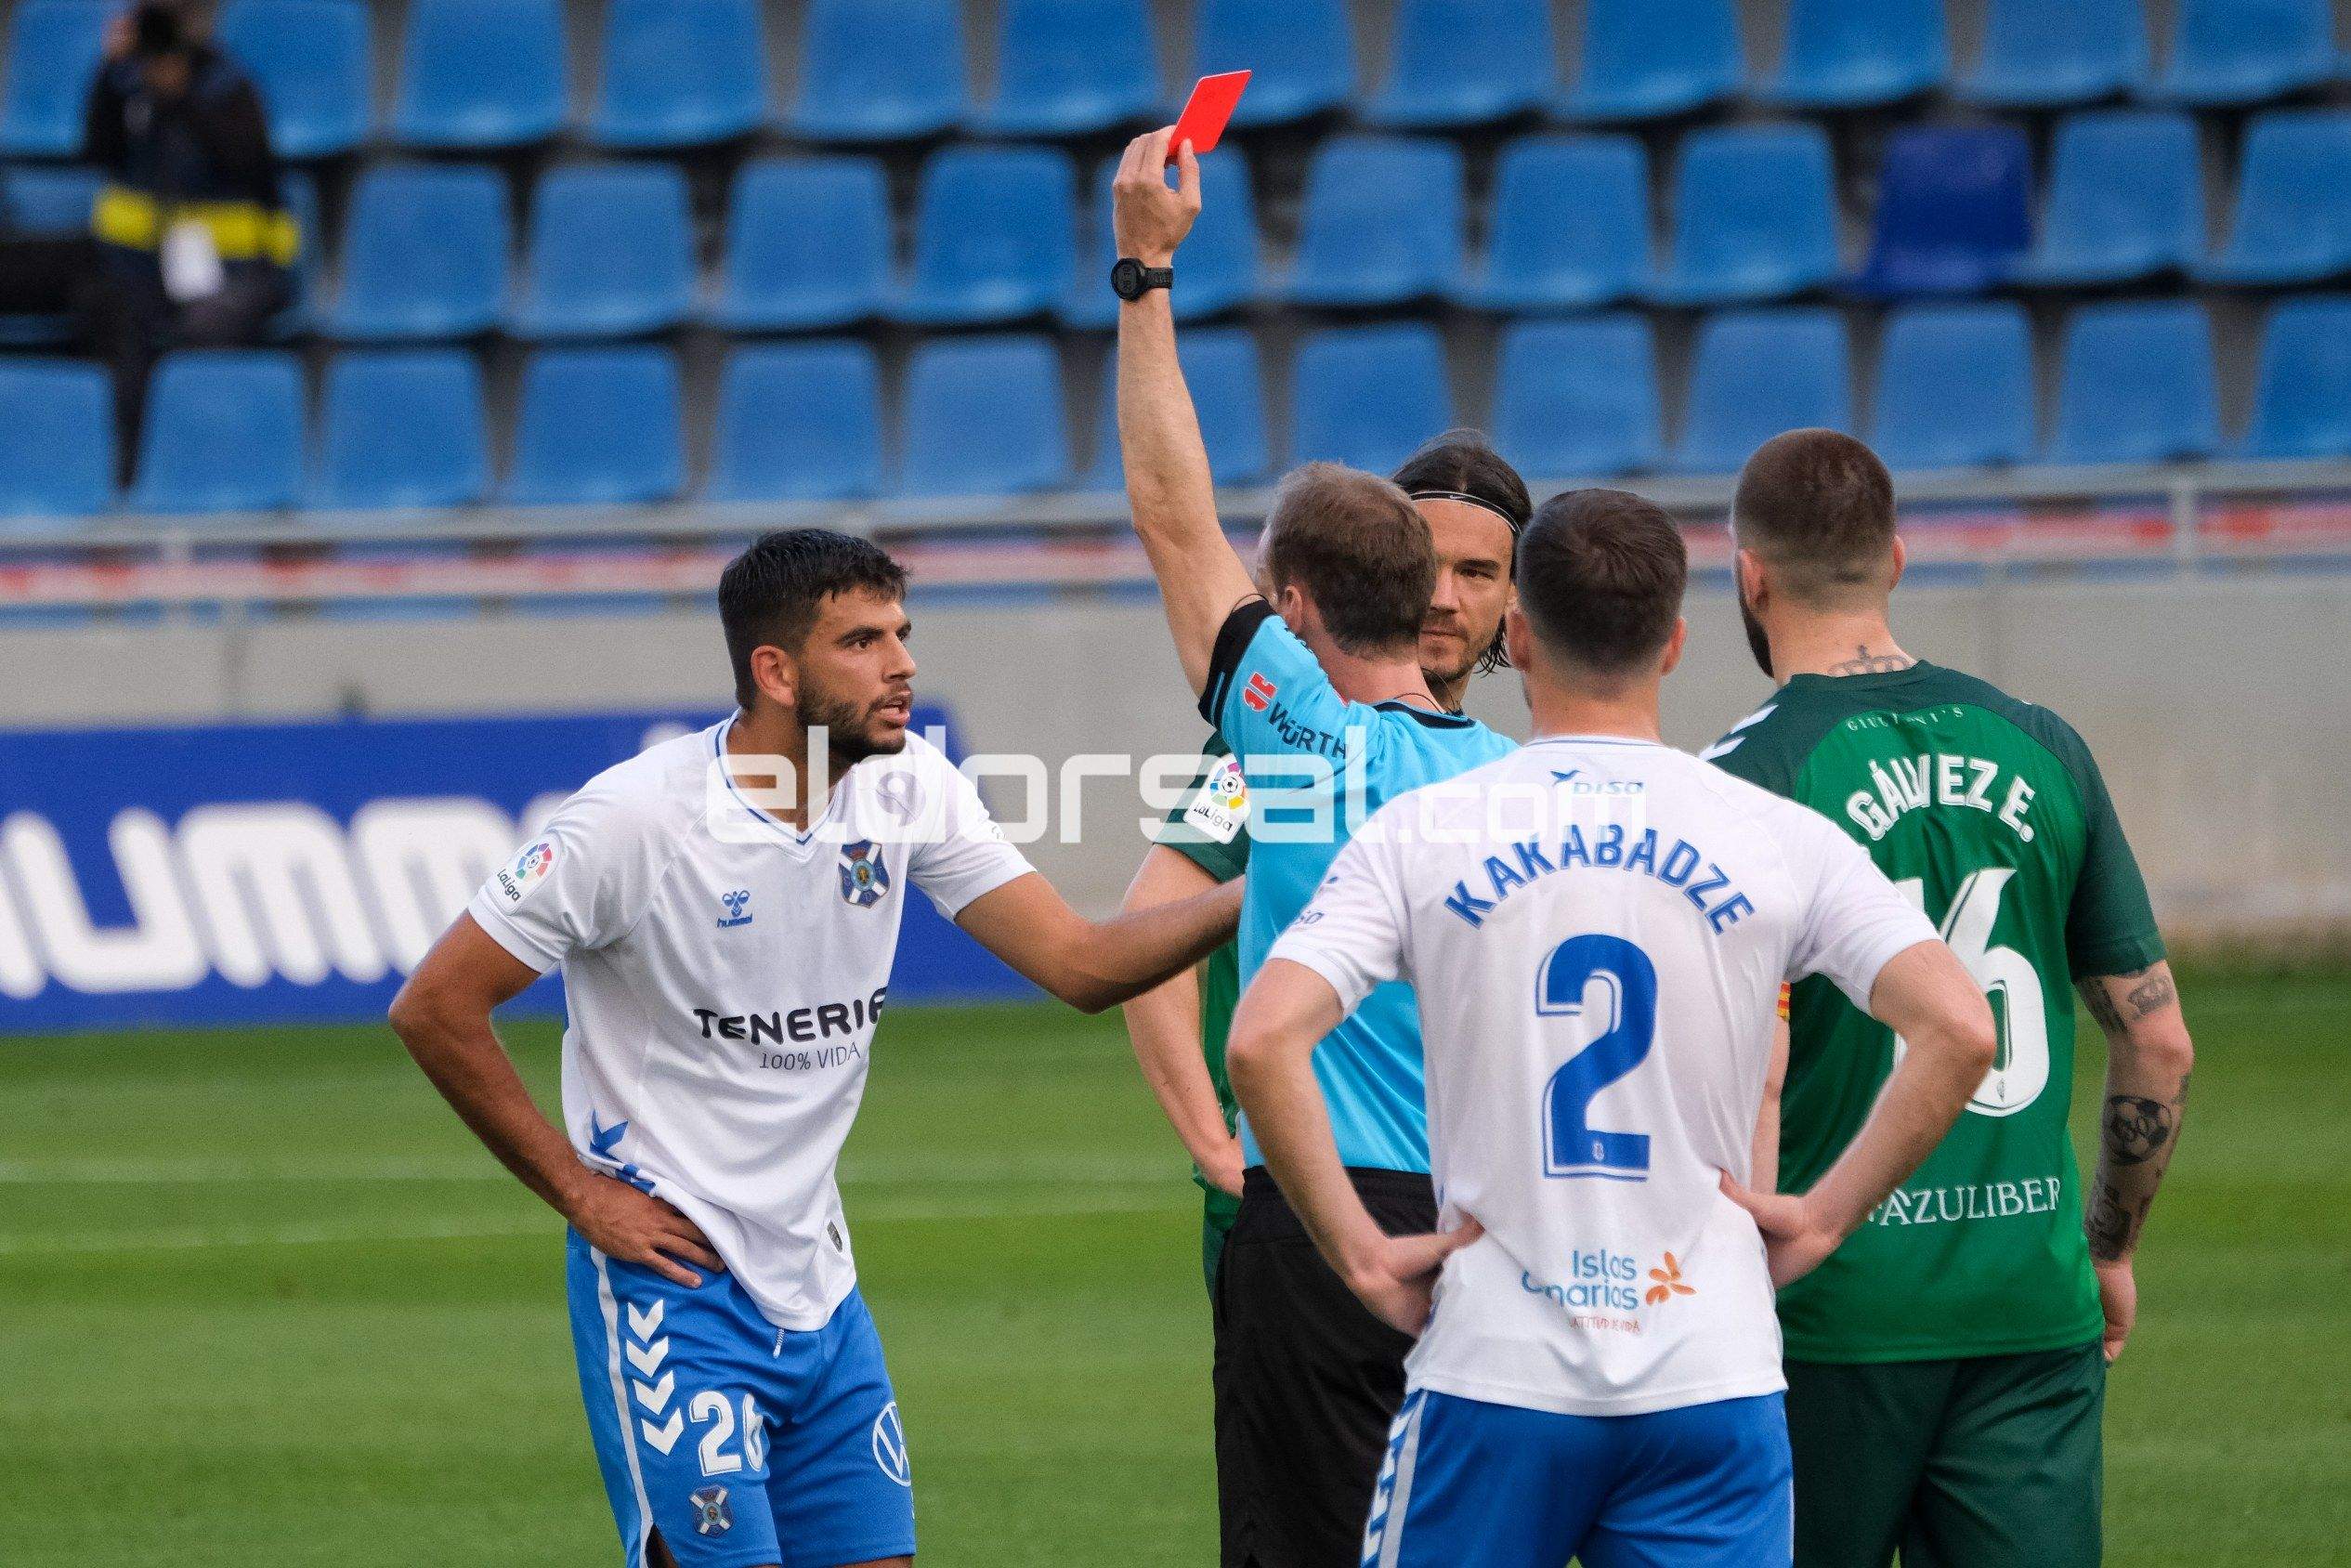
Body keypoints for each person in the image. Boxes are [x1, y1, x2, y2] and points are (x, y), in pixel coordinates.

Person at [388, 529, 1242, 1568]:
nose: (902, 663)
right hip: (677, 1291)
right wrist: (579, 1189)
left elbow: (1080, 965)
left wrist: (1266, 884)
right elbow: (435, 1004)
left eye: (902, 633)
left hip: (823, 1291)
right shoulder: (639, 819)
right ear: (776, 670)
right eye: (862, 640)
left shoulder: (908, 783)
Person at [1224, 488, 1999, 1568]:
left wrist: (1358, 1252)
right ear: (1674, 643)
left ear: (1521, 635)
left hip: (1496, 1368)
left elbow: (1260, 1039)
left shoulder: (1424, 831)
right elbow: (1960, 1027)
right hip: (1710, 1373)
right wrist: (1821, 1215)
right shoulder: (1775, 833)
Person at [1111, 125, 1517, 1568]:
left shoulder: (1285, 738)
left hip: (1322, 1209)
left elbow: (1169, 518)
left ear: (1289, 604)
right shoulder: (1527, 782)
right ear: (1434, 604)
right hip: (1503, 1217)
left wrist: (1143, 269)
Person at [1704, 430, 2197, 1568]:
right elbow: (2155, 1039)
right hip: (2028, 1298)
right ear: (1897, 558)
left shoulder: (1740, 779)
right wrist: (2107, 1247)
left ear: (1748, 573)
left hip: (1826, 1314)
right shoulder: (2041, 745)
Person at [1117, 434, 1527, 1301]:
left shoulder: (1502, 765)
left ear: (1513, 595)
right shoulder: (1284, 752)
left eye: (1478, 573)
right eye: (1426, 564)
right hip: (1300, 1197)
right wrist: (1216, 1147)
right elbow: (1146, 939)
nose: (1444, 599)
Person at [84, 1, 297, 475]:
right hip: (145, 269)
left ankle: (205, 471)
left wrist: (182, 95)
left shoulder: (229, 88)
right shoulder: (128, 89)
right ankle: (128, 476)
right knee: (117, 318)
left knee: (200, 332)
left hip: (242, 271)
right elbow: (98, 152)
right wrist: (109, 71)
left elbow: (248, 163)